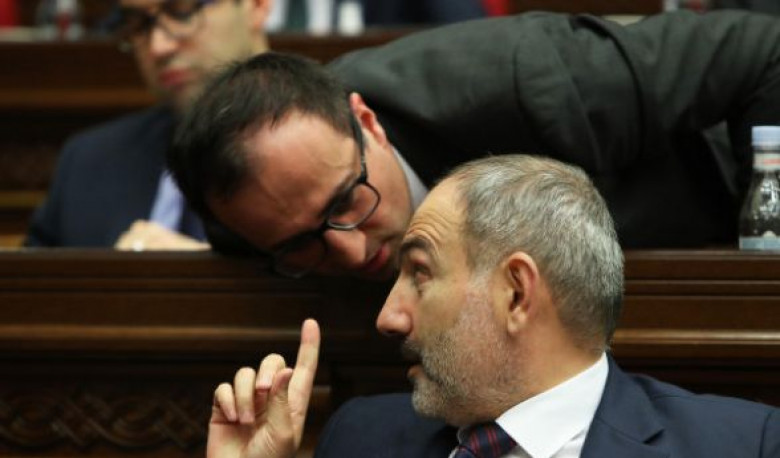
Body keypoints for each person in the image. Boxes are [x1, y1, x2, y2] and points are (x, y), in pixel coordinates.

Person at [208, 155, 780, 458]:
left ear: (516, 293)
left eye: (420, 273)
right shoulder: (362, 439)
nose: (388, 317)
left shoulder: (740, 445)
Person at [169, 9, 780, 280]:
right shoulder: (251, 218)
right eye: (301, 245)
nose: (350, 253)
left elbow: (761, 53)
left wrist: (759, 240)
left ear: (367, 122)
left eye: (346, 202)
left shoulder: (524, 79)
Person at [24, 0, 273, 249]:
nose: (158, 47)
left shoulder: (297, 149)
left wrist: (201, 270)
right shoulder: (87, 161)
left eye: (182, 12)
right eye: (138, 24)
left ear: (257, 5)